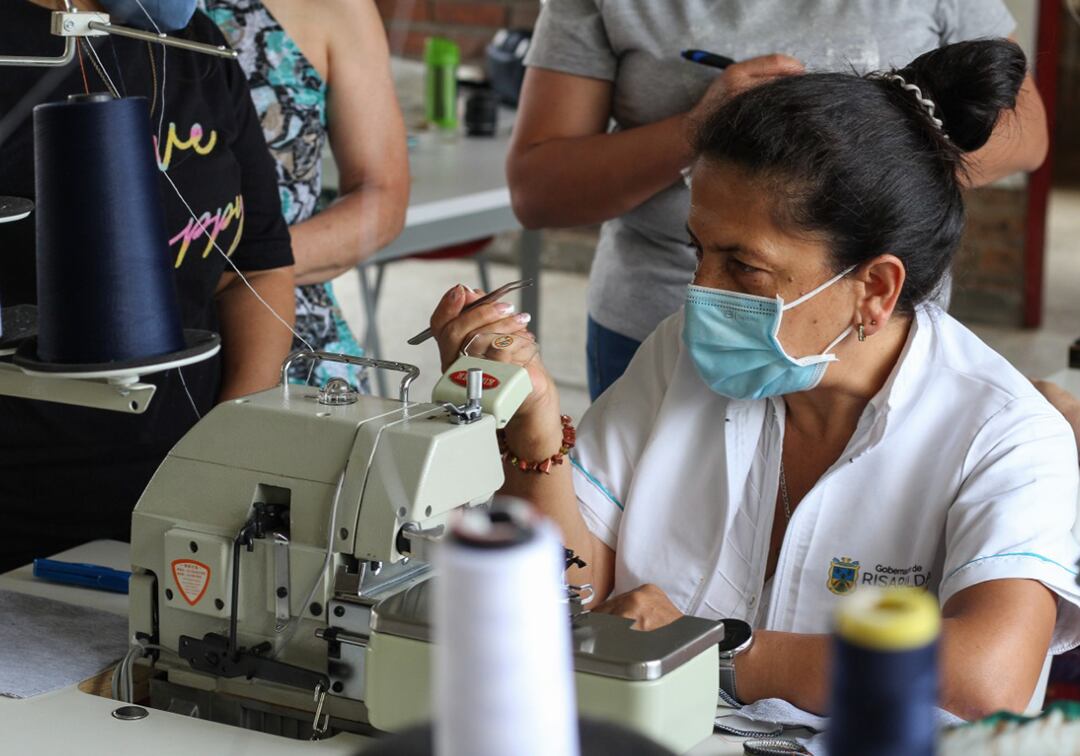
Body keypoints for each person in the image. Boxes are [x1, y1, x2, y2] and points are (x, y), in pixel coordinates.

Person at [433, 40, 1080, 720]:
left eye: (744, 268)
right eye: (699, 251)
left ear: (875, 289)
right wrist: (534, 431)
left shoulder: (1003, 434)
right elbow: (572, 591)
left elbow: (985, 677)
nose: (700, 291)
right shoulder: (679, 359)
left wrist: (711, 651)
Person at [508, 0, 1050, 400]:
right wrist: (700, 128)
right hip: (659, 320)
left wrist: (873, 134)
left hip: (868, 339)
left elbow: (1027, 137)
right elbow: (538, 191)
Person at [0, 0, 295, 571]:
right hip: (16, 497)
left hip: (181, 494)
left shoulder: (194, 46)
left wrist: (223, 453)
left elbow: (256, 269)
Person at [200, 0, 409, 387]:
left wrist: (251, 271)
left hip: (290, 331)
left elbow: (382, 198)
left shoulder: (336, 7)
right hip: (127, 326)